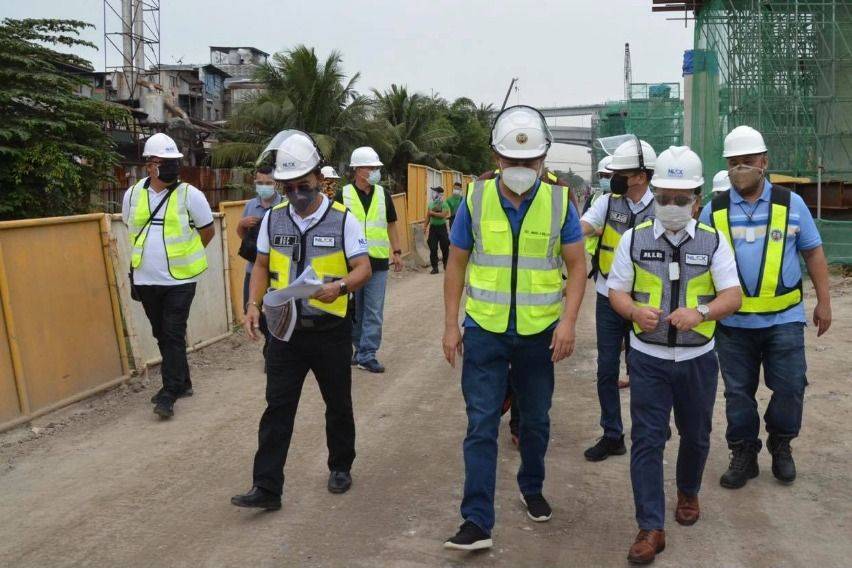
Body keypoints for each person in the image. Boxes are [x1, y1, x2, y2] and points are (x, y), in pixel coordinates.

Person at [442, 105, 586, 551]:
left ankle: (532, 486)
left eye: (529, 162)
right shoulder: (476, 198)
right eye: (512, 161)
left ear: (543, 160)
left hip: (539, 334)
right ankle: (477, 521)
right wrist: (451, 324)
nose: (521, 169)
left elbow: (577, 267)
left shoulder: (560, 201)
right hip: (484, 329)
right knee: (481, 423)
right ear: (496, 158)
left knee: (536, 421)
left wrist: (568, 323)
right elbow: (456, 265)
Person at [607, 146, 742, 564]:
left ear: (697, 200)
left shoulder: (714, 241)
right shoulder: (635, 238)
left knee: (696, 435)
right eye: (663, 197)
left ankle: (688, 491)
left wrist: (699, 312)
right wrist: (632, 311)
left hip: (698, 359)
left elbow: (733, 296)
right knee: (646, 439)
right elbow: (616, 290)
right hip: (647, 358)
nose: (670, 206)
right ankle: (650, 526)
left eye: (680, 199)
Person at [231, 130, 372, 511]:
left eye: (304, 187)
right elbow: (260, 266)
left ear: (319, 181)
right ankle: (267, 487)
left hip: (330, 331)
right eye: (288, 188)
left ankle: (340, 465)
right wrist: (252, 304)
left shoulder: (343, 220)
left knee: (337, 403)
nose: (296, 195)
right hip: (284, 331)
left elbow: (363, 269)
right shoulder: (273, 219)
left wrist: (340, 287)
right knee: (277, 407)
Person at [699, 125, 832, 489]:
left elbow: (813, 252)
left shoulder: (791, 204)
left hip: (784, 321)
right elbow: (698, 262)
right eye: (734, 161)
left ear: (763, 162)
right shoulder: (714, 210)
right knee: (738, 393)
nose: (740, 167)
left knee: (790, 388)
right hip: (733, 325)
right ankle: (744, 452)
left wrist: (824, 301)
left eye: (747, 160)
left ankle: (781, 443)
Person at [122, 133, 215, 419]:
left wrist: (187, 255)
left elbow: (207, 230)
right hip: (146, 279)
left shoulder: (191, 195)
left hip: (180, 281)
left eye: (175, 162)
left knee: (173, 332)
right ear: (149, 165)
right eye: (165, 162)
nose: (173, 167)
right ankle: (182, 381)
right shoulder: (133, 194)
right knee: (161, 333)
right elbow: (131, 227)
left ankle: (168, 393)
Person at [580, 137, 657, 461]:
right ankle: (613, 434)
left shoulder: (662, 206)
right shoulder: (608, 202)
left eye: (621, 171)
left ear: (640, 175)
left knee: (645, 368)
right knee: (607, 369)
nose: (614, 177)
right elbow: (582, 226)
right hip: (608, 297)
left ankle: (649, 429)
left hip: (646, 302)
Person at [335, 147, 404, 373]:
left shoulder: (383, 195)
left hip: (378, 262)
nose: (375, 172)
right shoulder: (342, 194)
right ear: (357, 169)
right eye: (371, 167)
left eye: (376, 168)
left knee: (373, 309)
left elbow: (391, 224)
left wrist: (397, 251)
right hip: (351, 264)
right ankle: (357, 349)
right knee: (354, 309)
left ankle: (367, 353)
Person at [237, 166, 284, 350]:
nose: (264, 186)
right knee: (249, 307)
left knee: (276, 312)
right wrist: (242, 224)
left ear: (276, 184)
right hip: (253, 268)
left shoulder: (284, 206)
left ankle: (273, 350)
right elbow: (242, 236)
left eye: (268, 183)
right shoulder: (250, 205)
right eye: (260, 183)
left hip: (277, 272)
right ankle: (271, 343)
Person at [426, 186, 451, 274]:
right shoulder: (431, 204)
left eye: (434, 192)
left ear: (439, 194)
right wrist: (425, 226)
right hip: (433, 228)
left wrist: (432, 213)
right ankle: (435, 267)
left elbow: (443, 215)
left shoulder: (444, 204)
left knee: (445, 247)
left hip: (442, 228)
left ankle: (446, 265)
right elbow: (428, 216)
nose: (433, 193)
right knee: (433, 248)